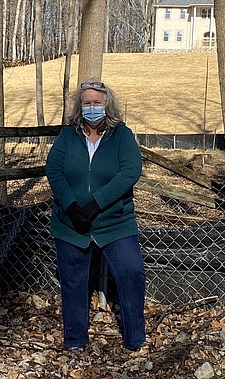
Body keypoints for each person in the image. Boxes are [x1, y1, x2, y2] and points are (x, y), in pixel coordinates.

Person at [45, 78, 147, 353]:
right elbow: (53, 170)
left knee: (131, 274)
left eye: (97, 103)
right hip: (71, 223)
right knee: (73, 281)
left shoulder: (121, 135)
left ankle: (135, 337)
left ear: (107, 105)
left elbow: (130, 172)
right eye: (87, 103)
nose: (92, 107)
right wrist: (71, 206)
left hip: (115, 222)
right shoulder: (68, 135)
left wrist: (96, 204)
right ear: (80, 106)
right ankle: (75, 339)